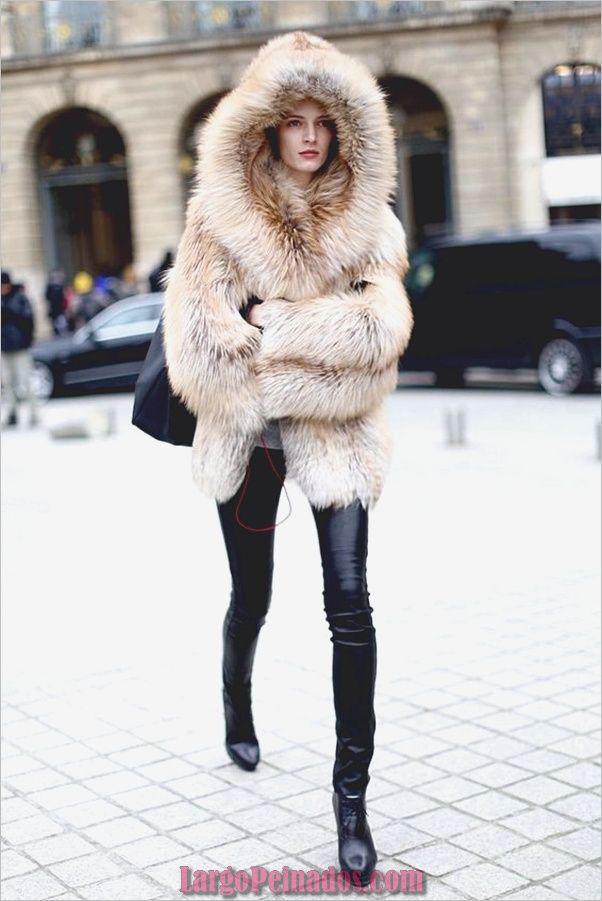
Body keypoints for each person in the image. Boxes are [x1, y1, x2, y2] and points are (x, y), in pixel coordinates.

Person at [162, 31, 413, 887]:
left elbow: (384, 335)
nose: (310, 136)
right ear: (265, 129)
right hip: (251, 439)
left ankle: (351, 801)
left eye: (323, 121)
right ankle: (236, 692)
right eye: (293, 120)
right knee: (254, 594)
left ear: (344, 130)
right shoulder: (217, 216)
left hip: (341, 435)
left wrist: (283, 327)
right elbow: (197, 349)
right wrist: (297, 353)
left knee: (351, 604)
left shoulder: (372, 219)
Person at [1, 270, 39, 427]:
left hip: (20, 347)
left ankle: (33, 414)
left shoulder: (20, 298)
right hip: (4, 348)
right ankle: (12, 414)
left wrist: (27, 341)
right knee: (7, 383)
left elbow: (29, 320)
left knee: (25, 381)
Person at [44, 268, 69, 336]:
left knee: (61, 321)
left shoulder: (59, 286)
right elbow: (47, 297)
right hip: (54, 308)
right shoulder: (50, 286)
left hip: (60, 307)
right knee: (56, 322)